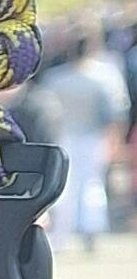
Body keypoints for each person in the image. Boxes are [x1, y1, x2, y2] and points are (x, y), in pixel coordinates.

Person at [22, 21, 128, 251]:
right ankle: (91, 229)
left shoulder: (56, 78)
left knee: (64, 188)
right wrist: (115, 139)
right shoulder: (104, 76)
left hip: (64, 136)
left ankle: (60, 235)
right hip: (93, 136)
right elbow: (116, 111)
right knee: (91, 184)